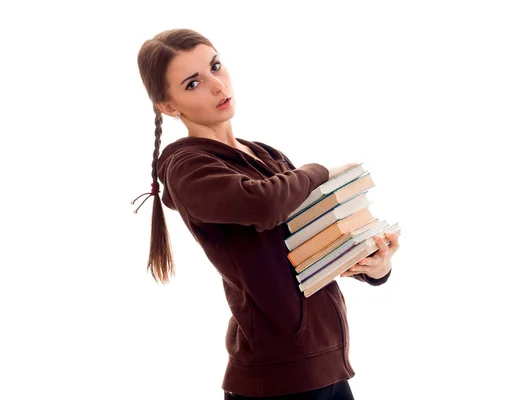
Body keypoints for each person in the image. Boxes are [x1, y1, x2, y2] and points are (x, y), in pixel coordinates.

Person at [132, 28, 400, 399]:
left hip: (326, 363)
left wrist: (375, 266)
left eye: (215, 67)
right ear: (169, 106)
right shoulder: (187, 166)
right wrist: (317, 170)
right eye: (193, 83)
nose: (216, 85)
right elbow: (262, 205)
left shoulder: (265, 155)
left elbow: (312, 241)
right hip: (276, 378)